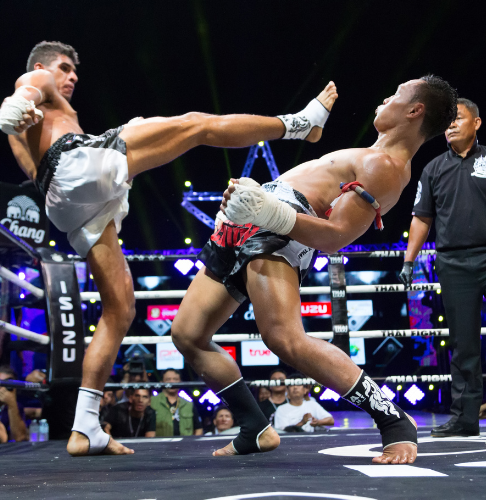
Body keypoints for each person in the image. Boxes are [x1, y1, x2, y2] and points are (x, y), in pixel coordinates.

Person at [0, 41, 335, 456]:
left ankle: (85, 427)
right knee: (196, 125)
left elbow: (22, 120)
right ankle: (299, 123)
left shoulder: (40, 124)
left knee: (119, 310)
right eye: (64, 68)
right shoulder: (38, 81)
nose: (70, 78)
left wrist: (21, 114)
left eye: (73, 73)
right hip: (73, 169)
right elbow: (23, 92)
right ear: (42, 66)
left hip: (65, 203)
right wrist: (18, 103)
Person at [171, 75, 458, 464]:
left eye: (394, 95)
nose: (383, 100)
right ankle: (254, 426)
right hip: (246, 227)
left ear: (414, 110)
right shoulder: (370, 153)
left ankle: (394, 421)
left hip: (276, 231)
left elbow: (334, 236)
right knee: (187, 334)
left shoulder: (386, 166)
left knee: (285, 339)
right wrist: (249, 202)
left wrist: (265, 210)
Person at [399, 97, 486, 438]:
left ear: (477, 123)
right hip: (454, 263)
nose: (451, 125)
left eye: (458, 118)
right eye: (447, 121)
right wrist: (409, 259)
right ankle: (465, 418)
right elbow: (421, 218)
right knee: (463, 344)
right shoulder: (433, 169)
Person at [150, 369, 203, 436]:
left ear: (180, 382)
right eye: (168, 379)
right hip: (161, 444)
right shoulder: (152, 401)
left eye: (175, 379)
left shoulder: (188, 404)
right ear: (161, 382)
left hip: (185, 444)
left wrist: (193, 444)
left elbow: (198, 428)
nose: (172, 382)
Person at [0, 366, 28, 442]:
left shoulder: (17, 406)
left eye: (7, 385)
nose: (2, 389)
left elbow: (20, 437)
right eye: (0, 383)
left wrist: (12, 404)